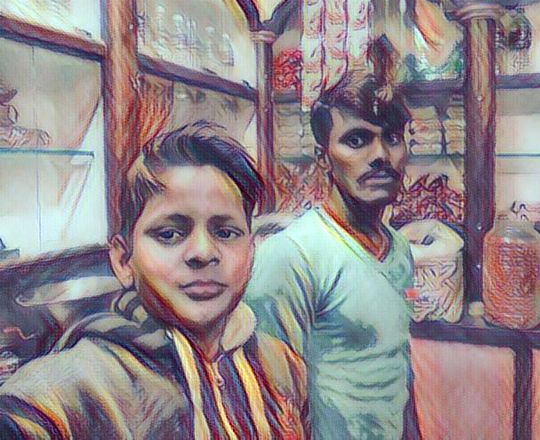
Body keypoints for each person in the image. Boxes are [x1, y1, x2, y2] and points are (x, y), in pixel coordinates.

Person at [0, 121, 309, 439]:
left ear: (251, 251)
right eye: (169, 234)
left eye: (226, 232)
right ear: (124, 260)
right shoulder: (82, 388)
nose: (203, 253)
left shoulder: (281, 366)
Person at [245, 72, 421, 439]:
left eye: (391, 138)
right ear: (323, 158)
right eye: (356, 140)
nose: (380, 156)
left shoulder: (400, 249)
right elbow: (269, 402)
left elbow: (397, 369)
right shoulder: (291, 255)